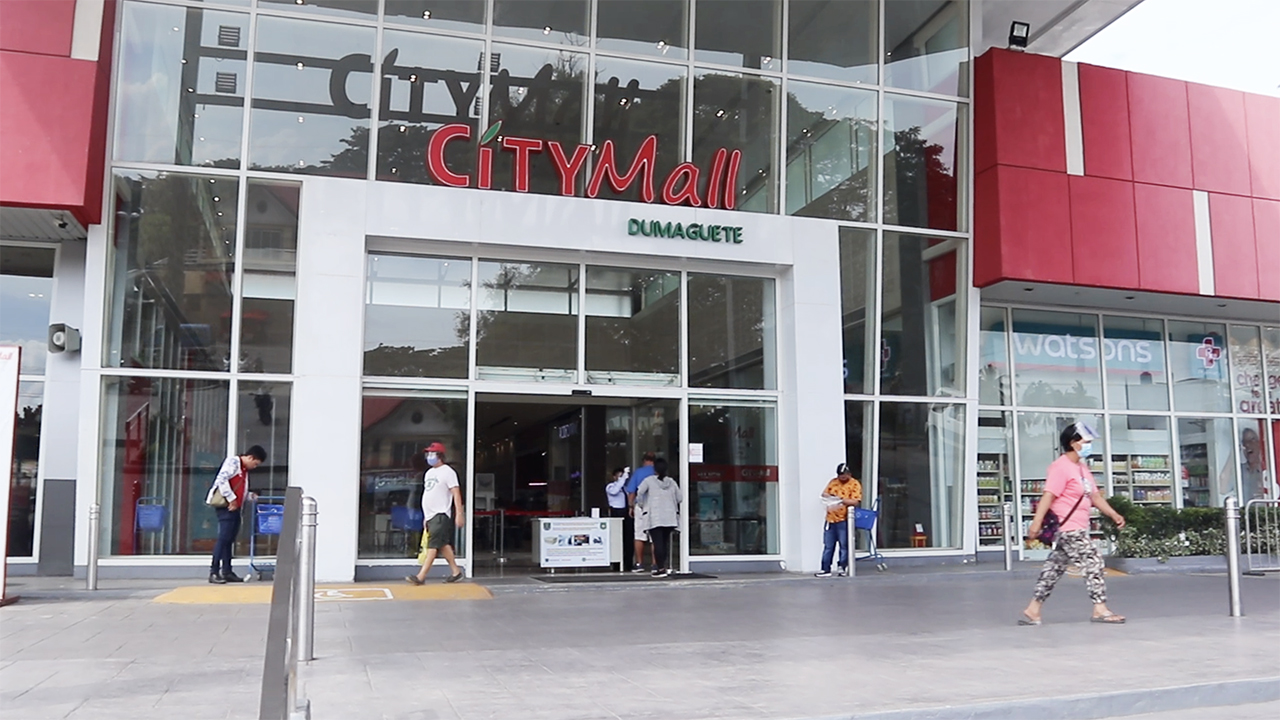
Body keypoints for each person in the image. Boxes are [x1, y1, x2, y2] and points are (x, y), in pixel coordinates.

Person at [1022, 422, 1127, 625]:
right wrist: (1036, 522)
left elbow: (1095, 496)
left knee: (1053, 569)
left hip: (1076, 527)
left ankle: (1033, 609)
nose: (1089, 446)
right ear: (1073, 443)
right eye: (1086, 442)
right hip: (1068, 528)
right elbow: (1048, 496)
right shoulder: (1060, 467)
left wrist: (1113, 514)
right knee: (1093, 560)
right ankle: (1100, 608)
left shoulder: (1082, 468)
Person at [406, 442, 465, 585]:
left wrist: (459, 513)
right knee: (442, 544)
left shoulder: (448, 472)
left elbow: (456, 493)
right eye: (428, 453)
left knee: (432, 546)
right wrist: (426, 518)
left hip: (440, 514)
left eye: (432, 453)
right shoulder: (429, 473)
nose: (429, 456)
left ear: (440, 456)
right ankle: (456, 572)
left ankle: (421, 576)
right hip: (430, 516)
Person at [206, 445, 266, 584]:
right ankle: (214, 571)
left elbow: (241, 489)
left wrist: (250, 496)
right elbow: (222, 479)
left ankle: (227, 571)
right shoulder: (233, 462)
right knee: (223, 538)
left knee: (229, 539)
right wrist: (231, 499)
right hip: (227, 506)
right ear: (250, 457)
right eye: (255, 463)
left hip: (236, 508)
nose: (254, 467)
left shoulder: (244, 471)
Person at [816, 463, 863, 578]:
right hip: (831, 519)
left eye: (844, 475)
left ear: (849, 474)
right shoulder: (833, 482)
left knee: (844, 545)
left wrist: (841, 500)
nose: (841, 477)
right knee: (828, 546)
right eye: (840, 475)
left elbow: (855, 501)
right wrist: (830, 498)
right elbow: (824, 494)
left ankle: (842, 567)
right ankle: (825, 568)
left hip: (844, 519)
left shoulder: (854, 484)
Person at [635, 458, 680, 578]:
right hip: (670, 517)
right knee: (664, 543)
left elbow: (639, 493)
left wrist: (642, 505)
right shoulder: (671, 482)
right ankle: (662, 566)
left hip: (654, 516)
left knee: (657, 542)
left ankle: (660, 568)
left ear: (654, 469)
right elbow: (679, 497)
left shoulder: (649, 481)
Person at [625, 452, 657, 572]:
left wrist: (631, 506)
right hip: (656, 506)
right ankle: (655, 564)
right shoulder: (658, 472)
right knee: (655, 536)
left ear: (644, 461)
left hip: (641, 506)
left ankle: (639, 563)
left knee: (639, 535)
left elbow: (631, 491)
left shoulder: (638, 472)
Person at [605, 467, 630, 569]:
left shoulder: (625, 488)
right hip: (616, 512)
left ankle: (628, 562)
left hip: (626, 512)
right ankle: (616, 564)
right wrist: (623, 478)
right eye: (619, 476)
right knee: (617, 538)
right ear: (614, 477)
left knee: (627, 538)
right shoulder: (610, 487)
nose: (621, 478)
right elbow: (615, 491)